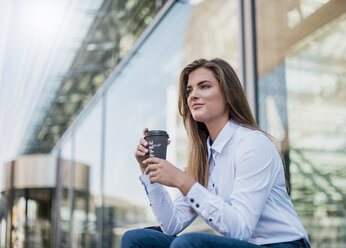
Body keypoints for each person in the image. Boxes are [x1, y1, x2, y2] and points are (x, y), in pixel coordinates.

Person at [121, 58, 310, 248]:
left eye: (204, 86)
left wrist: (182, 180)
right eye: (189, 90)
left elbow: (240, 229)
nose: (193, 95)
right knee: (135, 239)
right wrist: (148, 171)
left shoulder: (252, 143)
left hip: (283, 245)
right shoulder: (204, 158)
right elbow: (172, 225)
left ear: (228, 95)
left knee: (188, 244)